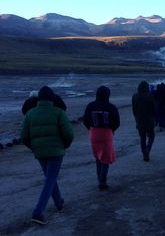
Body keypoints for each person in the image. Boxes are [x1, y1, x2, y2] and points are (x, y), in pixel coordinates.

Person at [21, 86, 74, 225]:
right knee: (50, 179)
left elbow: (23, 136)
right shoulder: (59, 113)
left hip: (40, 152)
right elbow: (69, 134)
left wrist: (34, 147)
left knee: (50, 178)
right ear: (52, 98)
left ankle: (59, 204)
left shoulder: (30, 114)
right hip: (56, 152)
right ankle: (38, 212)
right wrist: (65, 145)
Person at [83, 86, 120, 190]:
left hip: (94, 134)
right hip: (106, 134)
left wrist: (91, 129)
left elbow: (86, 120)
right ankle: (102, 181)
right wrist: (111, 130)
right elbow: (117, 122)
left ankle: (99, 178)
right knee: (105, 158)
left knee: (98, 157)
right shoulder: (111, 107)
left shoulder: (90, 106)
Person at [132, 81, 156, 162]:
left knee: (142, 138)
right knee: (151, 136)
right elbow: (154, 109)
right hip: (149, 120)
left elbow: (134, 110)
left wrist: (136, 120)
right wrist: (155, 119)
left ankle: (144, 152)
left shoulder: (135, 96)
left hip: (140, 120)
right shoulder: (150, 96)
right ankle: (147, 150)